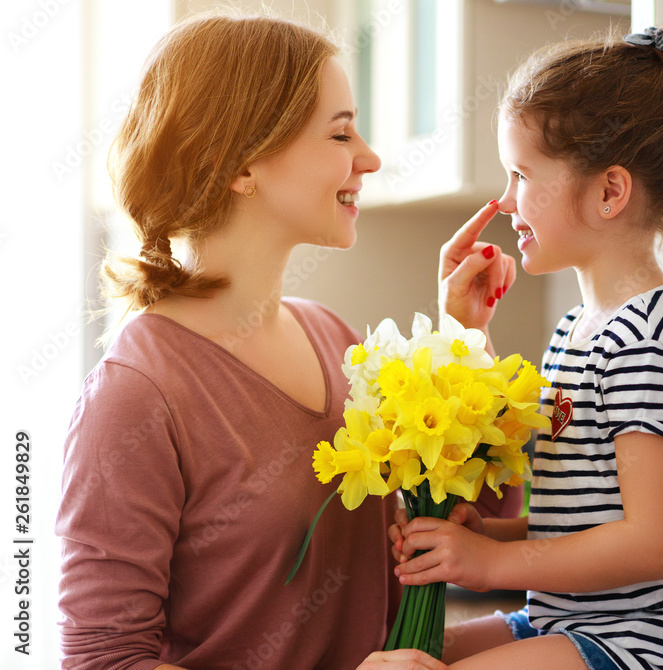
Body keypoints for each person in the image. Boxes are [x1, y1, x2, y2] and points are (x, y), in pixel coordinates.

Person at [55, 13, 517, 670]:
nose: (370, 156)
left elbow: (469, 526)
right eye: (339, 132)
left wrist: (465, 341)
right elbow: (104, 663)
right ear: (241, 164)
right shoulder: (136, 398)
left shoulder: (333, 338)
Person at [394, 21, 663, 670]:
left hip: (656, 647)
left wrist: (496, 561)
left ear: (610, 191)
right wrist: (496, 533)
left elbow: (656, 545)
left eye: (521, 176)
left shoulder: (648, 344)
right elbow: (588, 519)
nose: (506, 202)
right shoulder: (580, 331)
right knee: (407, 654)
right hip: (579, 619)